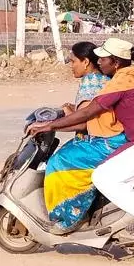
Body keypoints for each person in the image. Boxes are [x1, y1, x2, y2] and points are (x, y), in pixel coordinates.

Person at [30, 38, 134, 237]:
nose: (99, 62)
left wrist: (49, 125)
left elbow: (87, 113)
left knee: (102, 177)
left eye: (103, 59)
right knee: (117, 176)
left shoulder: (121, 82)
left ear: (116, 62)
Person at [43, 42, 127, 235]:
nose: (71, 65)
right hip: (109, 137)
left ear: (86, 61)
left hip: (104, 141)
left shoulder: (91, 82)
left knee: (58, 162)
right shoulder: (103, 79)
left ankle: (69, 219)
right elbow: (91, 113)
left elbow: (84, 122)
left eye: (73, 61)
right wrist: (71, 112)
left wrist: (50, 126)